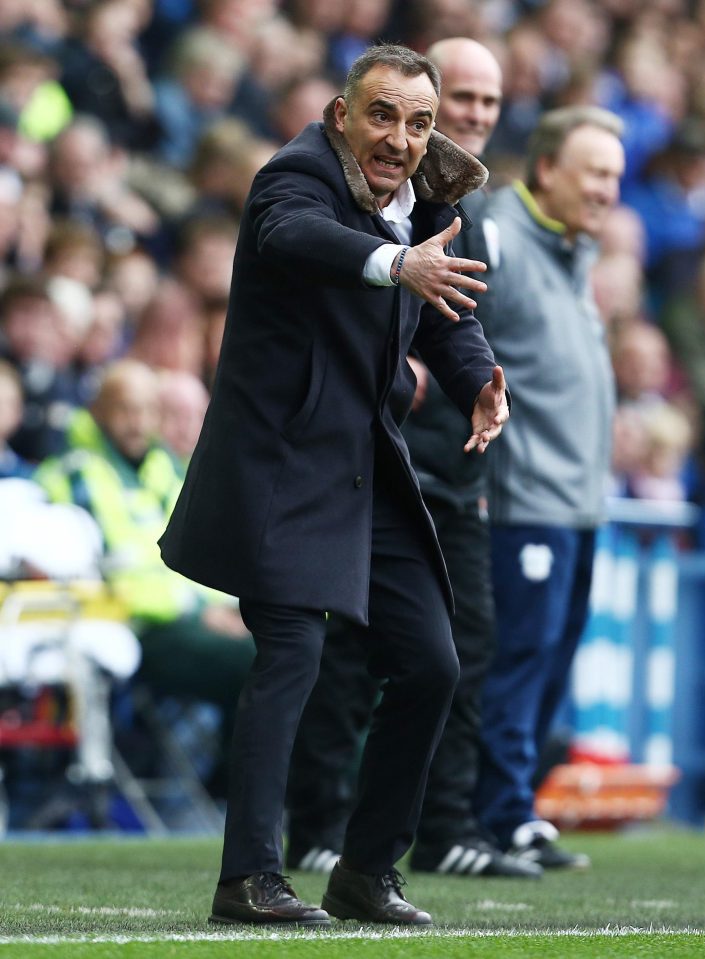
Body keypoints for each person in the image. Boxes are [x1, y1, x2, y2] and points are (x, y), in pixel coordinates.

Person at [159, 43, 508, 926]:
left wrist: (476, 380)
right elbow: (293, 237)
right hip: (279, 462)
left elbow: (445, 306)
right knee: (292, 655)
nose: (400, 137)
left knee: (432, 661)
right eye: (383, 114)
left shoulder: (422, 194)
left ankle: (364, 870)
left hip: (364, 459)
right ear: (341, 113)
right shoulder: (294, 174)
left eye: (419, 122)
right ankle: (248, 878)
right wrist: (395, 264)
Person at [286, 37, 540, 881]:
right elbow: (318, 282)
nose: (471, 115)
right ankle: (320, 823)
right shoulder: (341, 187)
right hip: (369, 454)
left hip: (452, 465)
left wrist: (475, 376)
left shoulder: (463, 204)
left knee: (454, 649)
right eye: (457, 97)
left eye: (482, 104)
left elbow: (457, 320)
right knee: (344, 650)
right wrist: (400, 356)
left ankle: (439, 825)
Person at [470, 105, 625, 869]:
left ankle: (517, 808)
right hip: (522, 497)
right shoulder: (498, 233)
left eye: (615, 178)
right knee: (518, 658)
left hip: (577, 503)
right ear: (547, 169)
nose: (606, 191)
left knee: (548, 660)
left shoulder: (572, 252)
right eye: (594, 173)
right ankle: (493, 815)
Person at [34, 359, 255, 800]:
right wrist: (200, 609)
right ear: (97, 411)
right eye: (124, 409)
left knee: (294, 649)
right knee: (259, 662)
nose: (137, 423)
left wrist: (234, 608)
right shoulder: (73, 475)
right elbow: (110, 574)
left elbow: (202, 556)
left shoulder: (166, 470)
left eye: (146, 410)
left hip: (193, 617)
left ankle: (246, 787)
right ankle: (239, 790)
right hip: (131, 627)